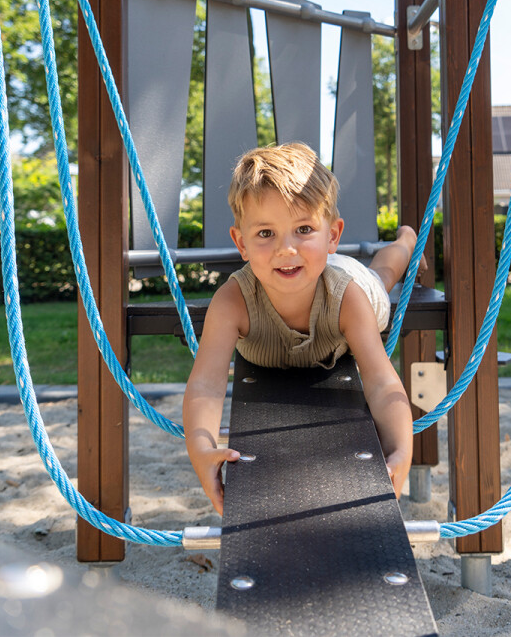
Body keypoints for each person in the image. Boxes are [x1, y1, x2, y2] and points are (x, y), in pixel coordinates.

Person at [183, 142, 427, 515]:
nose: (287, 249)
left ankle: (406, 242)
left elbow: (381, 382)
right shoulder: (233, 302)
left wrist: (401, 449)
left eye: (303, 229)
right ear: (241, 243)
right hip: (318, 269)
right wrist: (201, 449)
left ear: (332, 236)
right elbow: (206, 384)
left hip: (348, 280)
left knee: (383, 275)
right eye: (266, 233)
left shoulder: (349, 299)